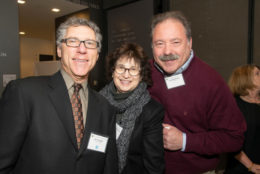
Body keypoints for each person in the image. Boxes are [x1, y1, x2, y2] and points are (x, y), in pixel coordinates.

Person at [0, 17, 118, 174]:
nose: (82, 49)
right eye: (73, 41)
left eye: (90, 43)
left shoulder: (105, 107)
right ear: (59, 50)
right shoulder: (24, 93)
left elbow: (108, 168)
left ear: (97, 54)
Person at [148, 11, 247, 174]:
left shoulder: (211, 82)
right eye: (159, 43)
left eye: (175, 42)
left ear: (189, 43)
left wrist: (185, 141)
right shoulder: (144, 73)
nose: (167, 51)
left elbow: (234, 138)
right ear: (152, 46)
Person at [100, 43, 165, 174]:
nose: (126, 75)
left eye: (133, 69)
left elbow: (154, 166)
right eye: (121, 68)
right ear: (113, 71)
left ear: (141, 75)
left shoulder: (152, 111)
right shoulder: (97, 102)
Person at [225, 64, 260, 174]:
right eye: (257, 74)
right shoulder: (234, 106)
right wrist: (251, 166)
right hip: (242, 169)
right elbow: (228, 142)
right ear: (245, 79)